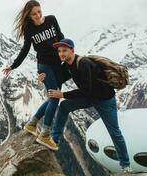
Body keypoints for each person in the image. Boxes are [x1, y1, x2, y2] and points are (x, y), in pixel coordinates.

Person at [38, 38, 133, 173]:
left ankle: (126, 166)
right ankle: (54, 139)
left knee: (114, 132)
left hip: (104, 100)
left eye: (64, 50)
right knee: (64, 106)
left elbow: (86, 90)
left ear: (72, 50)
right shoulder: (67, 65)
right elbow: (59, 79)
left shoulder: (83, 63)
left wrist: (63, 94)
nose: (61, 54)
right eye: (59, 51)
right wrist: (44, 78)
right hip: (90, 97)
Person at [2, 0, 64, 151]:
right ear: (29, 16)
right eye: (34, 14)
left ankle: (31, 124)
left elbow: (61, 36)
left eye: (39, 12)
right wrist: (13, 65)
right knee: (55, 97)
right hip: (44, 66)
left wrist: (68, 54)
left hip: (57, 64)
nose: (38, 15)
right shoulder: (30, 31)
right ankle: (45, 134)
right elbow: (25, 50)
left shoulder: (51, 20)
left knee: (52, 97)